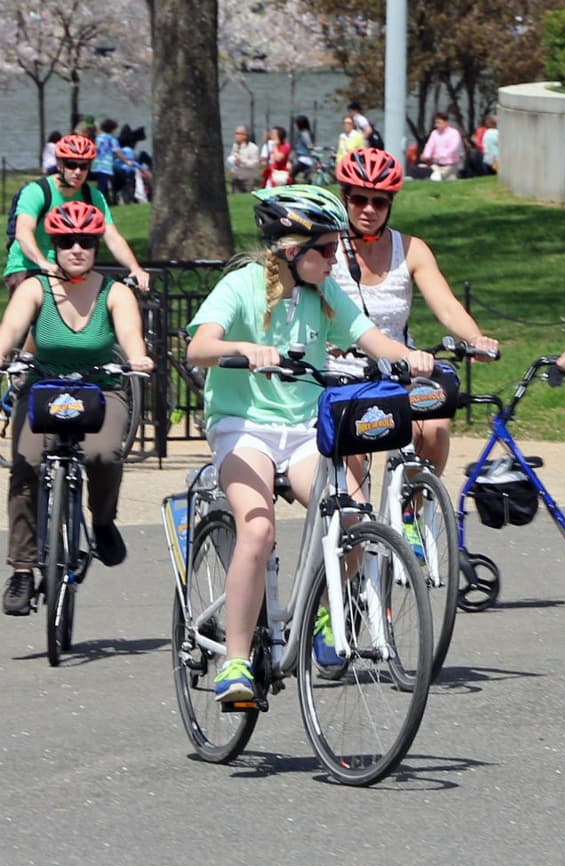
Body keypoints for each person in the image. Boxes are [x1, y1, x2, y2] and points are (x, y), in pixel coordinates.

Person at [185, 184, 436, 702]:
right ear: (292, 249)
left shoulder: (324, 294)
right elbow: (199, 347)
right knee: (258, 528)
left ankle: (325, 610)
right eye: (326, 249)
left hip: (303, 430)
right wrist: (246, 349)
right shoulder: (243, 285)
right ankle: (235, 662)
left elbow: (372, 339)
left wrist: (410, 357)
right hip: (244, 426)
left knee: (355, 520)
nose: (335, 258)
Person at [0, 203, 153, 614]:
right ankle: (22, 568)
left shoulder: (114, 292)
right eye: (67, 241)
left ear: (96, 246)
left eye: (85, 241)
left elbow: (130, 334)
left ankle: (102, 522)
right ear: (54, 246)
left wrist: (137, 357)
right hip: (43, 388)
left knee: (104, 455)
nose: (77, 249)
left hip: (100, 389)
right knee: (26, 465)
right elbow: (10, 329)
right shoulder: (36, 289)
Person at [329, 148, 499, 478]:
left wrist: (476, 338)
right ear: (345, 198)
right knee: (353, 452)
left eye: (379, 202)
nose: (368, 210)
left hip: (399, 368)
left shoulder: (410, 248)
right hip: (340, 370)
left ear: (390, 204)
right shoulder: (328, 249)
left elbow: (447, 307)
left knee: (434, 429)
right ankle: (358, 512)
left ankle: (413, 506)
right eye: (359, 200)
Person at [4, 134, 150, 293]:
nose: (78, 171)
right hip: (29, 265)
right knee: (33, 303)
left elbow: (113, 237)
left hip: (68, 267)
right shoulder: (37, 191)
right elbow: (23, 231)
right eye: (71, 165)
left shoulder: (92, 196)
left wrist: (134, 268)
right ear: (59, 164)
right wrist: (43, 262)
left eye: (84, 166)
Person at [419, 112, 463, 181]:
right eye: (436, 123)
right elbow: (429, 146)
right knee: (433, 177)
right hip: (436, 165)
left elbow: (453, 148)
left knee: (449, 182)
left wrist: (442, 155)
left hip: (450, 166)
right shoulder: (434, 133)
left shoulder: (454, 133)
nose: (437, 125)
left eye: (439, 123)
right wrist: (426, 155)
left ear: (446, 123)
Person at [91, 119, 121, 204]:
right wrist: (127, 161)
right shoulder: (112, 139)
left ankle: (101, 200)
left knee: (100, 185)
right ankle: (98, 202)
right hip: (106, 166)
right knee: (102, 186)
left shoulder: (98, 138)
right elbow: (117, 152)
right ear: (112, 129)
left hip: (96, 165)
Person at [225, 125, 261, 193]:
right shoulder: (235, 146)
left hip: (249, 179)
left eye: (238, 133)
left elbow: (255, 164)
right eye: (235, 133)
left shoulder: (253, 148)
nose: (236, 135)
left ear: (245, 135)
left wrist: (241, 160)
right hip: (237, 177)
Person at [291, 115, 316, 181]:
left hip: (304, 159)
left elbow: (309, 145)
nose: (294, 125)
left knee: (291, 175)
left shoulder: (304, 134)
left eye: (295, 123)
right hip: (300, 158)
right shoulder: (299, 133)